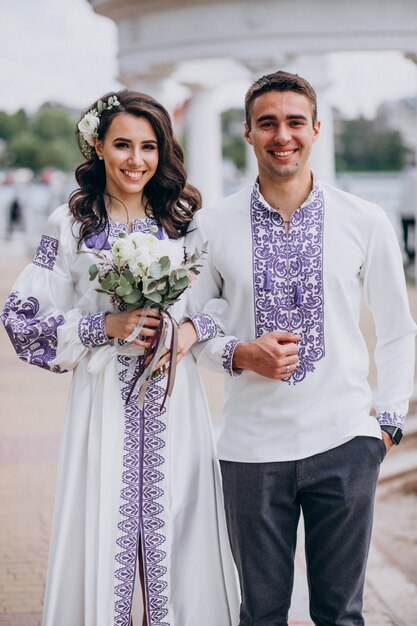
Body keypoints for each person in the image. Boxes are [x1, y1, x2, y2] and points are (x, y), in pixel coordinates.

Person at [185, 71, 417, 626]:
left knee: (340, 615)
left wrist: (386, 426)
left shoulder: (364, 220)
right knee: (261, 615)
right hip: (249, 453)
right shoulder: (210, 226)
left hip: (344, 446)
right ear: (247, 133)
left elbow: (397, 328)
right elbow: (191, 328)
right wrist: (241, 353)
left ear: (315, 129)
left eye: (294, 122)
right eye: (267, 123)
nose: (281, 135)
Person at [1, 89, 239, 626]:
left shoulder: (185, 220)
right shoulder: (68, 224)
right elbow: (21, 319)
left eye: (149, 146)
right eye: (123, 145)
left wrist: (191, 329)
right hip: (102, 400)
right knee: (102, 527)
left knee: (181, 531)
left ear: (163, 151)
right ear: (98, 148)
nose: (137, 160)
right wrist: (101, 326)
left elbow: (229, 298)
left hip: (175, 405)